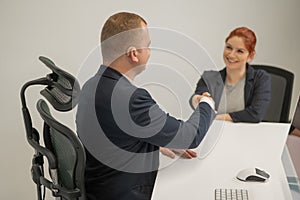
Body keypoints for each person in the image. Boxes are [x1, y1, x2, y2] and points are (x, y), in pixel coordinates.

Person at [76, 12, 216, 200]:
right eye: (148, 46)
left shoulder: (90, 86)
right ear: (134, 54)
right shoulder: (131, 99)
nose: (149, 52)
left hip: (99, 189)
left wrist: (158, 141)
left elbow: (111, 135)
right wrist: (206, 103)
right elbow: (190, 136)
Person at [161, 27, 271, 159]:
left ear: (251, 55)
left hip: (245, 139)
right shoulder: (210, 77)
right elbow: (197, 98)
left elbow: (255, 114)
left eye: (240, 51)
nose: (231, 55)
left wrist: (216, 117)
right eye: (229, 47)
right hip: (214, 139)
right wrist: (198, 99)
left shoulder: (260, 78)